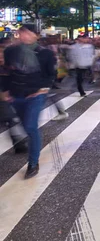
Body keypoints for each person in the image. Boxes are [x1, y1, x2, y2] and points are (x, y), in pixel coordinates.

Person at [3, 24, 57, 179]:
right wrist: (6, 91)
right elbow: (8, 71)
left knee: (30, 126)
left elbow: (50, 73)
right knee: (25, 126)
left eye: (28, 33)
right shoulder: (11, 51)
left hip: (36, 94)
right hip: (16, 94)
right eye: (22, 32)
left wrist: (44, 88)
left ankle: (33, 162)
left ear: (36, 36)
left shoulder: (45, 53)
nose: (25, 35)